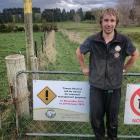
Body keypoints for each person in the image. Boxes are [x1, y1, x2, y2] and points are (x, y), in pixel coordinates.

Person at [76, 8, 139, 140]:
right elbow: (79, 51)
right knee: (96, 119)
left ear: (116, 23)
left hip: (114, 88)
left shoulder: (123, 40)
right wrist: (83, 67)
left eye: (112, 20)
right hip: (96, 87)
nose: (109, 24)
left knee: (112, 121)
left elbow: (134, 54)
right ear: (101, 22)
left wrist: (125, 68)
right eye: (106, 20)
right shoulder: (93, 40)